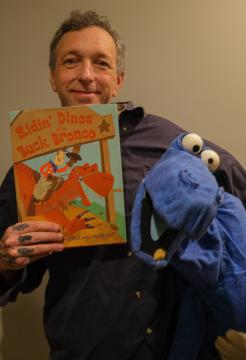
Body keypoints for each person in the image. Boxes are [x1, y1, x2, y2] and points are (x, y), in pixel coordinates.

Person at [0, 10, 245, 360]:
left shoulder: (172, 143)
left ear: (118, 79)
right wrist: (6, 261)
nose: (86, 75)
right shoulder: (31, 166)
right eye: (71, 61)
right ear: (53, 77)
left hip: (179, 349)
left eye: (101, 63)